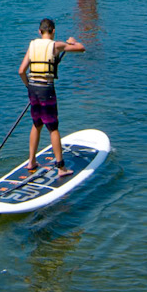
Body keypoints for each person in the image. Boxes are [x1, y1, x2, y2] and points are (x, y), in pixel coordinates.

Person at [18, 17, 86, 176]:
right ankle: (61, 168)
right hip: (46, 90)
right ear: (53, 31)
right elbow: (82, 48)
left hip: (33, 89)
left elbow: (21, 71)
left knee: (37, 124)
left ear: (39, 32)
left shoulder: (32, 45)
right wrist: (72, 42)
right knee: (53, 128)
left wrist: (29, 86)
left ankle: (31, 161)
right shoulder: (56, 45)